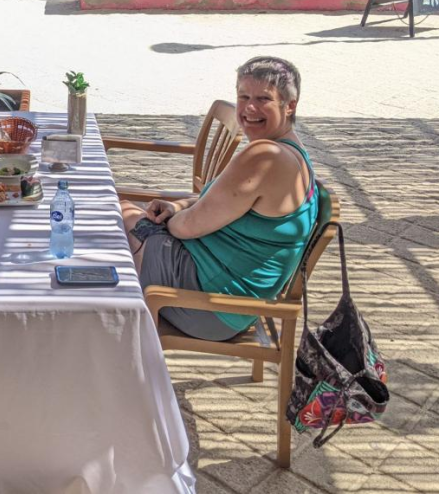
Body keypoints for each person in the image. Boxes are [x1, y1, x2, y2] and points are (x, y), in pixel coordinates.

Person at [121, 56, 319, 342]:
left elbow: (186, 227)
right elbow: (213, 201)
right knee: (125, 221)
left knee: (118, 219)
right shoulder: (292, 151)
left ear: (290, 106)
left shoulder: (265, 157)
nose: (250, 108)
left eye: (263, 98)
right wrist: (175, 207)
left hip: (210, 306)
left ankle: (116, 342)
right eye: (244, 97)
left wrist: (168, 221)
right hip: (224, 291)